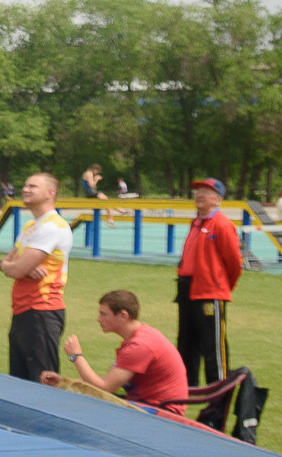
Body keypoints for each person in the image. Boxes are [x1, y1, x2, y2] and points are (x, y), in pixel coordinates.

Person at [41, 289, 187, 417]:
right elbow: (107, 381)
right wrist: (64, 382)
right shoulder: (136, 339)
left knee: (81, 408)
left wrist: (76, 356)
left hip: (161, 412)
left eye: (104, 314)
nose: (99, 319)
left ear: (123, 315)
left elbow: (105, 388)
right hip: (149, 405)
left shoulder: (139, 346)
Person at [0, 171, 72, 381]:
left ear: (51, 193)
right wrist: (10, 265)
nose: (25, 189)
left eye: (33, 186)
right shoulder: (32, 226)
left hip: (42, 310)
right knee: (19, 381)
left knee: (42, 382)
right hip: (24, 310)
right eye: (25, 185)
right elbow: (9, 262)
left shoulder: (52, 226)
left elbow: (15, 268)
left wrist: (14, 266)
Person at [176, 177, 241, 385]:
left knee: (213, 347)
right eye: (198, 191)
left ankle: (217, 394)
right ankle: (186, 390)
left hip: (208, 292)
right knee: (186, 343)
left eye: (206, 191)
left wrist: (220, 286)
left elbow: (234, 263)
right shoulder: (197, 222)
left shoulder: (221, 224)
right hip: (188, 290)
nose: (200, 195)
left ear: (218, 199)